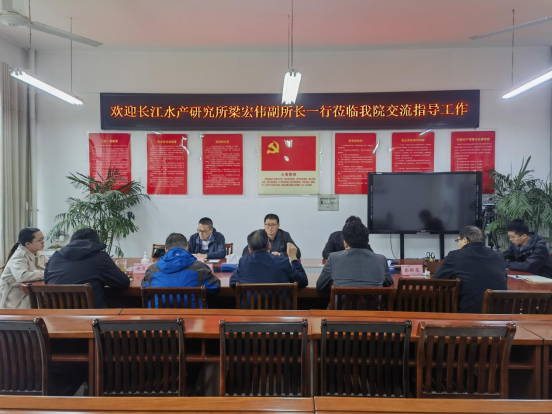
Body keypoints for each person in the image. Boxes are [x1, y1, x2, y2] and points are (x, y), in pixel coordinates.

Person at [44, 228, 130, 309]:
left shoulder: (54, 257)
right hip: (90, 316)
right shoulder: (99, 257)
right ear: (96, 242)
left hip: (52, 315)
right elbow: (123, 283)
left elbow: (46, 280)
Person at [433, 226, 507, 313]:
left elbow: (436, 281)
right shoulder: (499, 256)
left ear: (465, 240)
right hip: (500, 316)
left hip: (469, 315)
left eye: (458, 241)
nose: (458, 244)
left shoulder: (455, 256)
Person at [142, 233, 221, 307]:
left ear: (165, 249)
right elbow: (215, 286)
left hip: (157, 316)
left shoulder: (153, 269)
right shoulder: (200, 268)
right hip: (194, 316)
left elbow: (144, 289)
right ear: (187, 247)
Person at [317, 220, 393, 292]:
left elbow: (320, 286)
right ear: (367, 241)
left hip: (342, 302)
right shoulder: (381, 260)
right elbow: (390, 285)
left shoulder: (333, 258)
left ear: (345, 243)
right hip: (373, 302)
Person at [230, 229, 308, 287]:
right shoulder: (282, 262)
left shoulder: (243, 263)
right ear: (269, 246)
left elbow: (232, 282)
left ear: (250, 250)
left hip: (249, 305)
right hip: (279, 305)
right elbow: (303, 281)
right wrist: (293, 258)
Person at [0, 228, 48, 309]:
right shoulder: (19, 257)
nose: (43, 242)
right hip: (16, 297)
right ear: (28, 244)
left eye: (43, 239)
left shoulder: (39, 253)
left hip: (31, 293)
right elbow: (22, 276)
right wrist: (46, 274)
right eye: (39, 240)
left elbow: (51, 267)